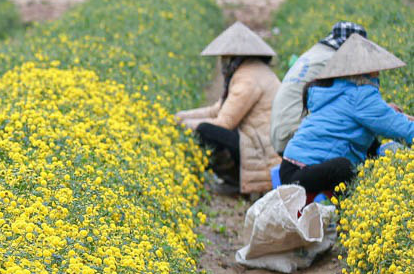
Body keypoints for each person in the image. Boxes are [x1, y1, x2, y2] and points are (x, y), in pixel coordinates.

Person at [281, 35, 414, 200]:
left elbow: (373, 114)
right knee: (344, 168)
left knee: (371, 151)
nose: (379, 73)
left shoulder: (338, 89)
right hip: (301, 174)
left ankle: (346, 216)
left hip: (290, 168)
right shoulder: (360, 95)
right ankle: (350, 217)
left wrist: (388, 112)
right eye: (376, 69)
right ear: (365, 70)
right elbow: (401, 129)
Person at [173, 22, 281, 195]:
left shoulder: (248, 77)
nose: (222, 62)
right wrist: (180, 117)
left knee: (206, 131)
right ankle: (231, 178)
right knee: (205, 127)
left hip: (261, 152)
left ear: (234, 56)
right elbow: (218, 109)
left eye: (224, 57)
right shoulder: (252, 70)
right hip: (261, 143)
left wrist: (187, 125)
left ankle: (233, 179)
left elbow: (224, 122)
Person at [270, 20, 369, 155]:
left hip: (280, 134)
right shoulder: (334, 60)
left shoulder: (315, 54)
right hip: (297, 134)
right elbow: (354, 103)